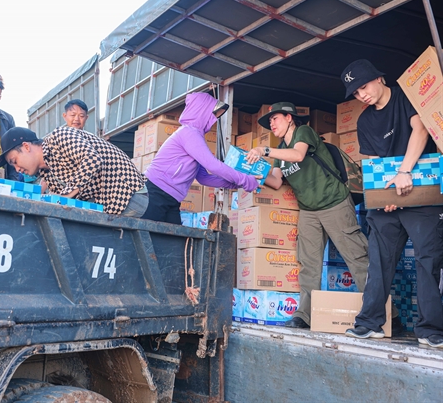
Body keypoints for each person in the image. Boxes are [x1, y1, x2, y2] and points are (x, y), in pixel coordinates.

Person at [340, 59, 443, 348]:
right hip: (387, 197)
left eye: (363, 87)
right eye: (356, 93)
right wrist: (381, 197)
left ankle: (429, 329)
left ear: (379, 78)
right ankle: (370, 323)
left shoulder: (406, 97)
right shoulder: (364, 121)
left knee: (427, 260)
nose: (362, 95)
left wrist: (404, 172)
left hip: (421, 194)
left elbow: (421, 131)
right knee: (379, 261)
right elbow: (372, 164)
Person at [246, 102, 370, 329]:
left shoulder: (303, 133)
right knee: (308, 264)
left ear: (289, 117)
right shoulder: (280, 153)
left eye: (275, 118)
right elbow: (275, 181)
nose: (271, 124)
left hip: (335, 202)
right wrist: (250, 171)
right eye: (269, 122)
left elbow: (299, 155)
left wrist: (263, 150)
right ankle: (305, 314)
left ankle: (380, 313)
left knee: (357, 258)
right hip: (309, 211)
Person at [142, 92, 259, 224]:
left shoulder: (195, 137)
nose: (214, 119)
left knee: (172, 242)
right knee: (147, 239)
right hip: (155, 193)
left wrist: (237, 184)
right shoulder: (188, 133)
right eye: (212, 114)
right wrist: (245, 180)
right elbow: (213, 165)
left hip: (171, 198)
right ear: (201, 111)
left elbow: (204, 178)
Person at [0, 127, 148, 216]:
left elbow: (92, 159)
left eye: (14, 162)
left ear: (26, 147)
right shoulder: (46, 175)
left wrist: (65, 196)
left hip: (128, 195)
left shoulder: (60, 136)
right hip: (107, 207)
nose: (17, 169)